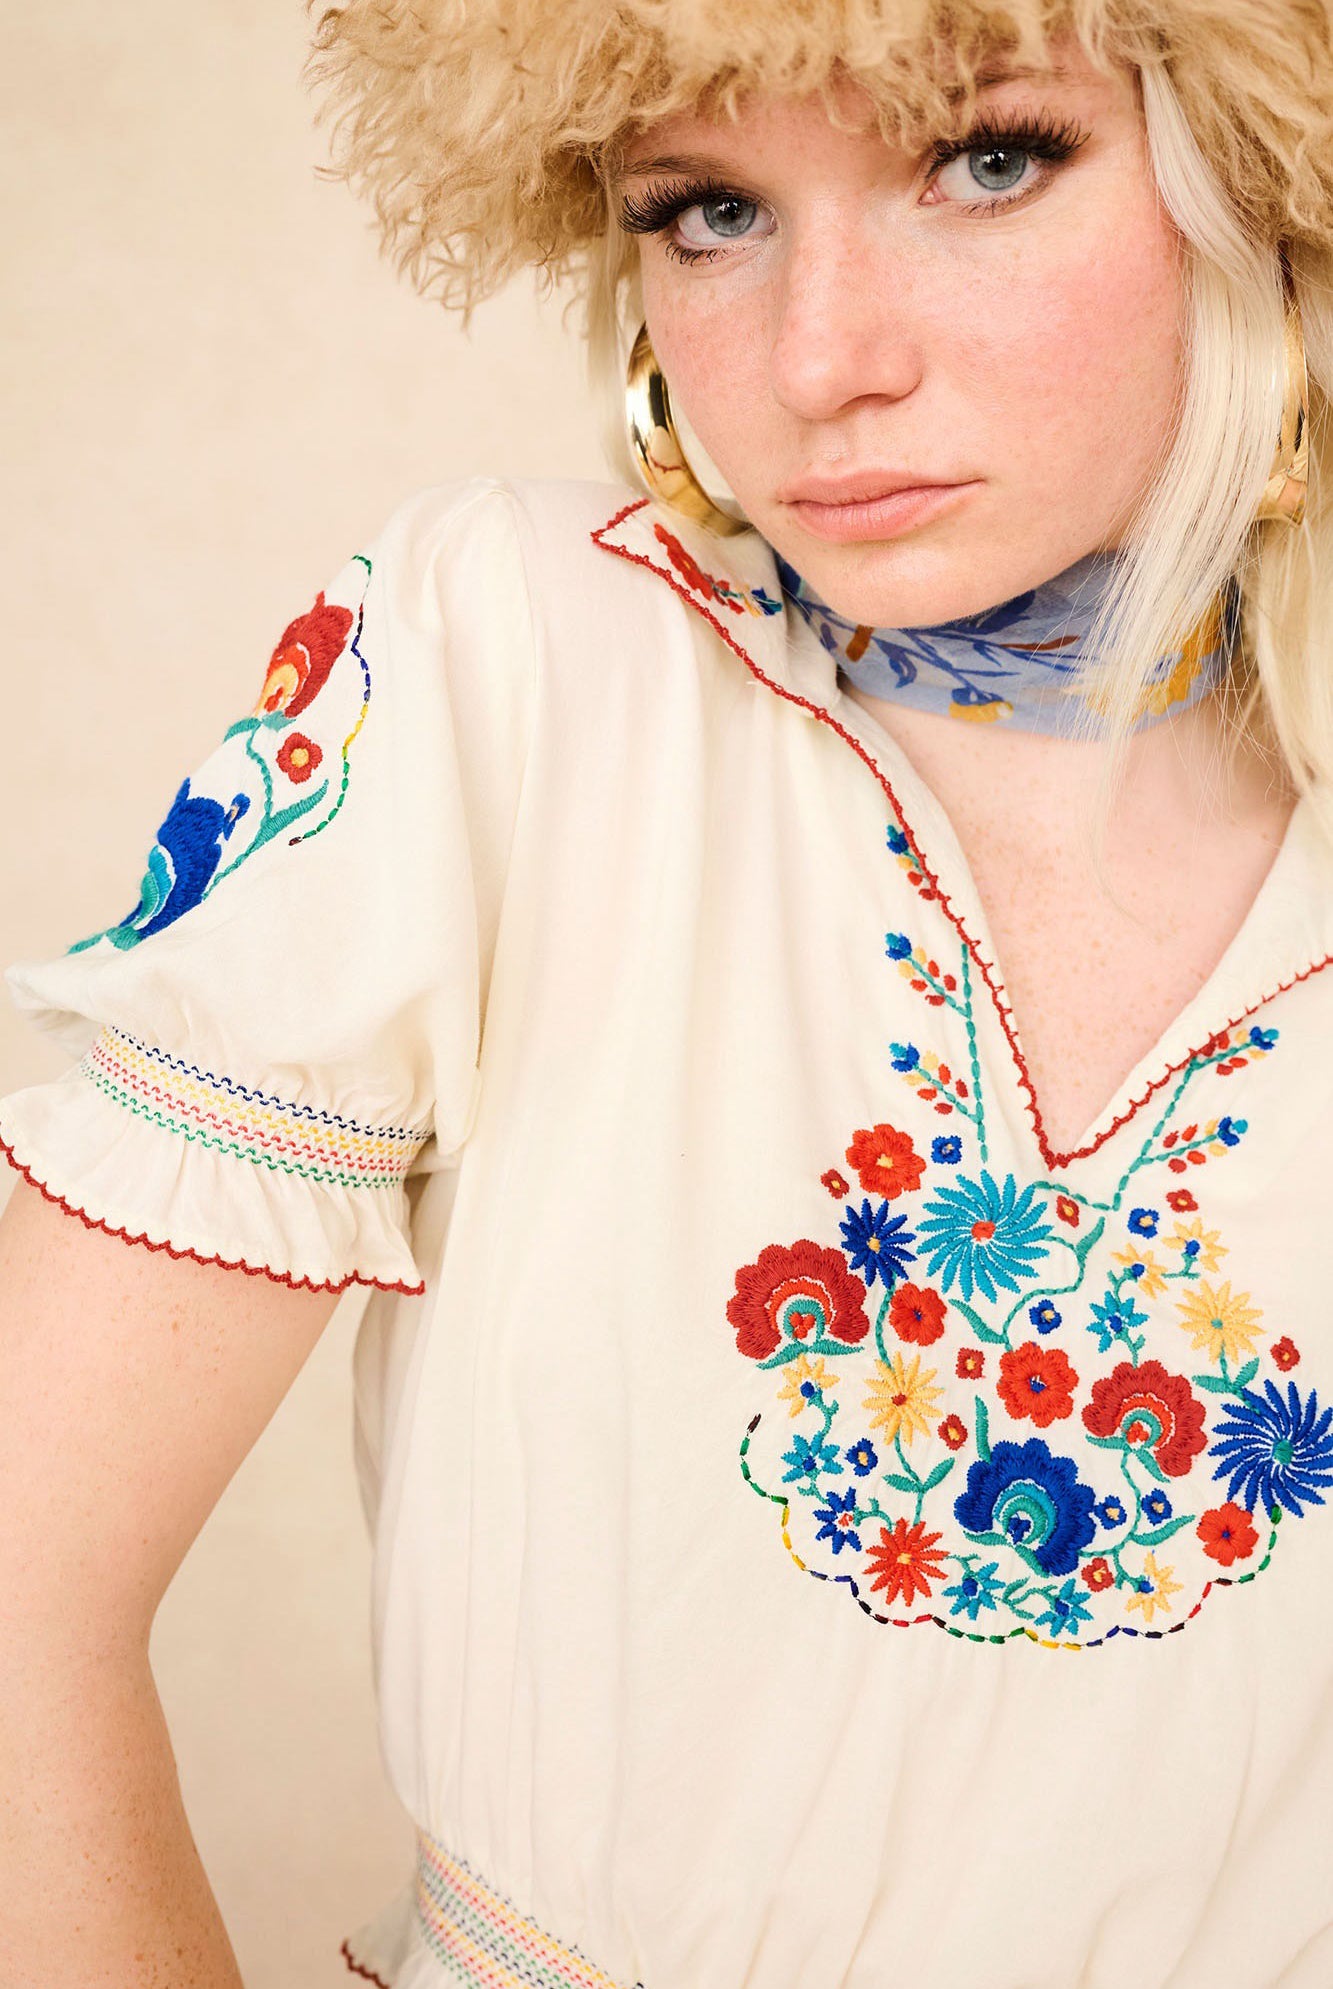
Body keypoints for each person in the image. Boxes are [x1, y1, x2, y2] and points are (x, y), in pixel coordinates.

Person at [1, 2, 1330, 1984]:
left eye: (985, 159)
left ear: (1270, 182)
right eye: (706, 210)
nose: (820, 361)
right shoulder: (518, 665)